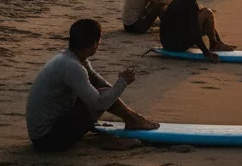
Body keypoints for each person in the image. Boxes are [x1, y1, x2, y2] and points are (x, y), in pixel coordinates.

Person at [26, 19, 158, 151]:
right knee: (100, 98)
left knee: (102, 91)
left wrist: (117, 90)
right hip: (46, 139)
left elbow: (99, 83)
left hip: (51, 129)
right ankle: (110, 136)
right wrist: (122, 82)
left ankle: (133, 120)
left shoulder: (71, 58)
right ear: (95, 43)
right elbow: (99, 103)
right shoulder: (73, 67)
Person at [159, 0, 233, 59]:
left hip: (166, 43)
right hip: (177, 46)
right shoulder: (192, 5)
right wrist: (206, 53)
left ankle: (217, 43)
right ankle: (214, 45)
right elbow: (195, 32)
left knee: (203, 18)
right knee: (207, 13)